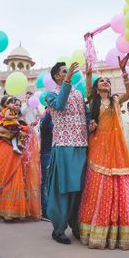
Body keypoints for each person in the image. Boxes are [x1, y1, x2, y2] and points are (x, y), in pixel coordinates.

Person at [78, 56, 129, 250]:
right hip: (97, 145)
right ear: (96, 87)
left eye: (108, 81)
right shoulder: (93, 100)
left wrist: (124, 72)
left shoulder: (115, 100)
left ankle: (121, 229)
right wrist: (88, 73)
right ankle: (97, 228)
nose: (105, 82)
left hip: (116, 146)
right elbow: (87, 90)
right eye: (101, 80)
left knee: (119, 181)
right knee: (97, 181)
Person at [45, 61, 88, 245]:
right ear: (57, 76)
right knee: (63, 189)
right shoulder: (51, 95)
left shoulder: (78, 93)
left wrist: (91, 123)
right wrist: (68, 81)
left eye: (69, 71)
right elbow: (61, 105)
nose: (69, 72)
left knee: (79, 189)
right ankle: (59, 229)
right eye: (64, 71)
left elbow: (85, 113)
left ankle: (76, 225)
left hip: (81, 145)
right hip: (63, 145)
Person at [0, 98, 40, 222]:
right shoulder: (5, 116)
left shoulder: (21, 119)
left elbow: (29, 133)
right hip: (5, 147)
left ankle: (15, 212)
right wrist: (19, 131)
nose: (17, 106)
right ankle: (5, 212)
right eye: (14, 103)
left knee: (17, 178)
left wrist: (27, 131)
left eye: (19, 104)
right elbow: (0, 131)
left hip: (19, 151)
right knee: (6, 177)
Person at [39, 108, 53, 221]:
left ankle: (52, 210)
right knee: (45, 183)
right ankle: (45, 211)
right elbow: (44, 126)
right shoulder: (45, 117)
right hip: (47, 153)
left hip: (56, 152)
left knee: (53, 183)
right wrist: (50, 111)